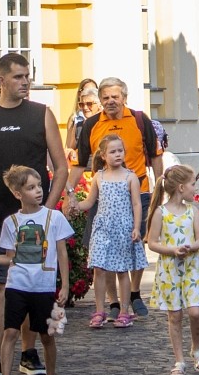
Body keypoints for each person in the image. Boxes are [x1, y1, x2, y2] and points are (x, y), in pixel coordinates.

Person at [0, 52, 69, 375]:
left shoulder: (41, 114)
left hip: (33, 221)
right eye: (18, 77)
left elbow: (61, 167)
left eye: (27, 76)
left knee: (27, 284)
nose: (25, 82)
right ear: (1, 80)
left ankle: (28, 351)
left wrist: (46, 212)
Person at [0, 165, 72, 375]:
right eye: (31, 188)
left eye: (39, 186)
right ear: (18, 193)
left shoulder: (54, 218)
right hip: (17, 285)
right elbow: (9, 257)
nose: (38, 191)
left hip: (43, 286)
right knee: (10, 331)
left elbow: (62, 253)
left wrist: (65, 285)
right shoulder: (11, 222)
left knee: (47, 335)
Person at [73, 77, 162, 318]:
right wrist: (69, 193)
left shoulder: (140, 120)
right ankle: (113, 302)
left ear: (124, 98)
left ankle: (134, 293)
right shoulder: (92, 124)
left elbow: (155, 155)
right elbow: (79, 162)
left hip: (139, 191)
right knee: (106, 251)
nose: (111, 101)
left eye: (115, 96)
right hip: (104, 196)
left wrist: (160, 187)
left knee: (135, 244)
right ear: (100, 100)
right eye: (106, 97)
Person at [71, 134, 145, 329]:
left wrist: (136, 227)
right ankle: (99, 310)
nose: (118, 154)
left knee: (122, 269)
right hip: (102, 227)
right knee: (99, 268)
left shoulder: (130, 177)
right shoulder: (99, 176)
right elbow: (90, 201)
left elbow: (136, 204)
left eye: (120, 151)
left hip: (123, 228)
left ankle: (124, 311)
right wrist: (76, 206)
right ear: (103, 155)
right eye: (113, 152)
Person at [146, 164, 199, 375]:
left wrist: (191, 247)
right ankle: (179, 360)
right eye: (193, 184)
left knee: (195, 311)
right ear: (181, 187)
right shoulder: (161, 212)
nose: (196, 188)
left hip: (191, 268)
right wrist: (172, 250)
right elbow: (152, 242)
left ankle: (196, 349)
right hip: (170, 269)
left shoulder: (192, 211)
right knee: (174, 315)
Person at [64, 79, 99, 163]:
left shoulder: (106, 122)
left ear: (99, 104)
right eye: (82, 104)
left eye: (89, 104)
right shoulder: (77, 123)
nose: (85, 108)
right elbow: (70, 148)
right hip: (82, 168)